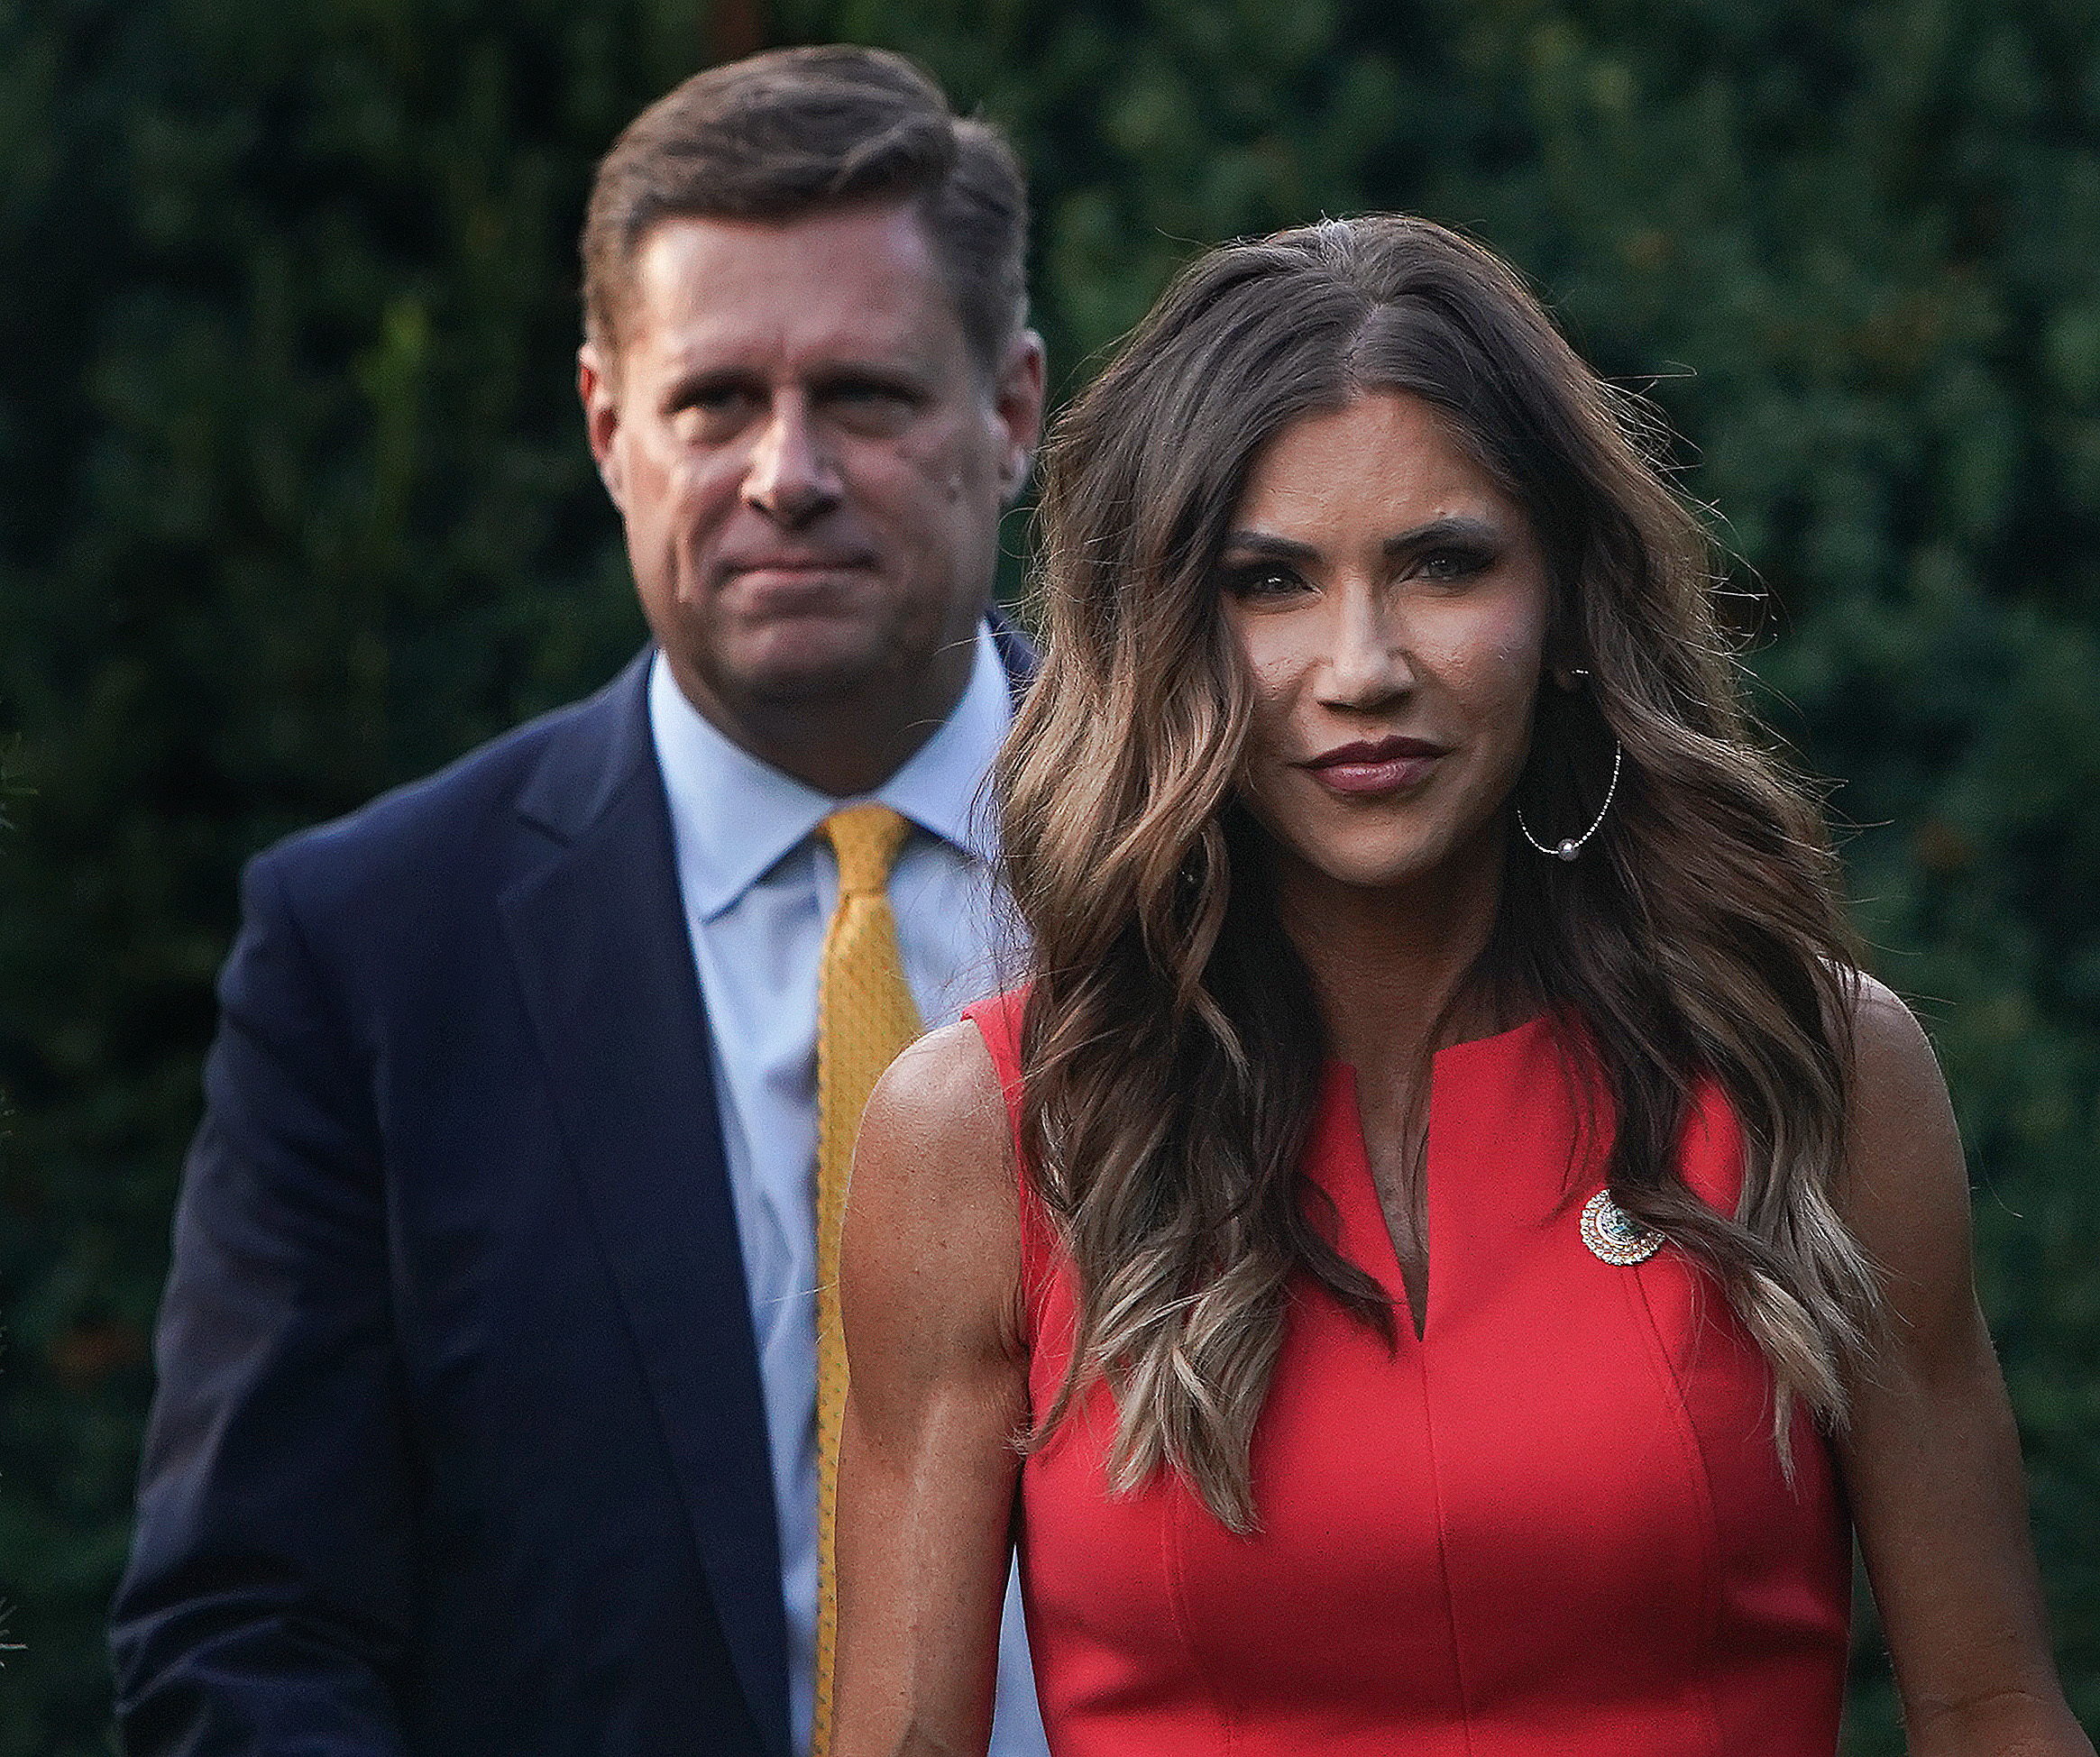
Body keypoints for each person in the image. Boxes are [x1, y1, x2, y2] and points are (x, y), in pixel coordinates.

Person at [832, 215, 2094, 1756]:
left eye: (1442, 562)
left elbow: (1989, 1712)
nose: (1361, 662)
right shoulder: (983, 1133)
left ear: (1564, 604)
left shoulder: (1811, 1068)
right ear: (1163, 630)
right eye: (1270, 580)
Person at [109, 45, 1050, 1757]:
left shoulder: (1217, 857)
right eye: (713, 404)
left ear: (1010, 412)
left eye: (864, 393)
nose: (787, 472)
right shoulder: (375, 952)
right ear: (608, 425)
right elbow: (247, 1626)